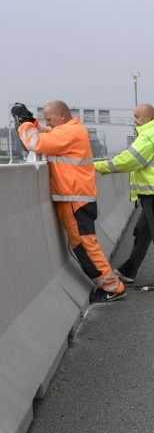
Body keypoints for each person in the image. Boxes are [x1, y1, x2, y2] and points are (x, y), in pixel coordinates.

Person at [13, 101, 126, 302]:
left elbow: (36, 143)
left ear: (62, 116)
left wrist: (24, 124)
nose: (47, 123)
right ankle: (108, 283)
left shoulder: (69, 132)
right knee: (81, 244)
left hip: (75, 198)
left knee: (85, 244)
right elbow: (46, 134)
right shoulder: (69, 130)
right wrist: (32, 122)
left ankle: (113, 287)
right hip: (74, 196)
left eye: (49, 119)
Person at [94, 104, 154, 286]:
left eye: (137, 117)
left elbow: (128, 160)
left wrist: (98, 166)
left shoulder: (149, 136)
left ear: (147, 118)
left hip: (153, 193)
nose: (134, 120)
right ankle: (128, 271)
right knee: (143, 231)